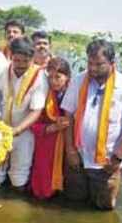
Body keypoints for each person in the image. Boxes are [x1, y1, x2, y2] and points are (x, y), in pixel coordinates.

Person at [61, 39, 122, 210]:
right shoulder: (79, 80)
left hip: (106, 163)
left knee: (103, 209)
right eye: (90, 63)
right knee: (73, 202)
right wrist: (70, 150)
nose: (92, 68)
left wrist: (117, 159)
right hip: (77, 157)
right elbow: (67, 116)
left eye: (99, 64)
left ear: (112, 63)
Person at [0, 37, 48, 192]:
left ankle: (17, 202)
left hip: (24, 131)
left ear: (32, 58)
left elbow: (36, 110)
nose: (20, 65)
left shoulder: (40, 77)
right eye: (17, 60)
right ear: (10, 56)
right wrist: (0, 130)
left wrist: (16, 131)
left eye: (25, 61)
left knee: (19, 174)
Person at [30, 57, 71, 199]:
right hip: (47, 142)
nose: (53, 81)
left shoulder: (76, 94)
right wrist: (53, 127)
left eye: (58, 77)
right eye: (50, 77)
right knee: (43, 182)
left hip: (69, 142)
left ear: (67, 77)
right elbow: (33, 123)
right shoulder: (42, 94)